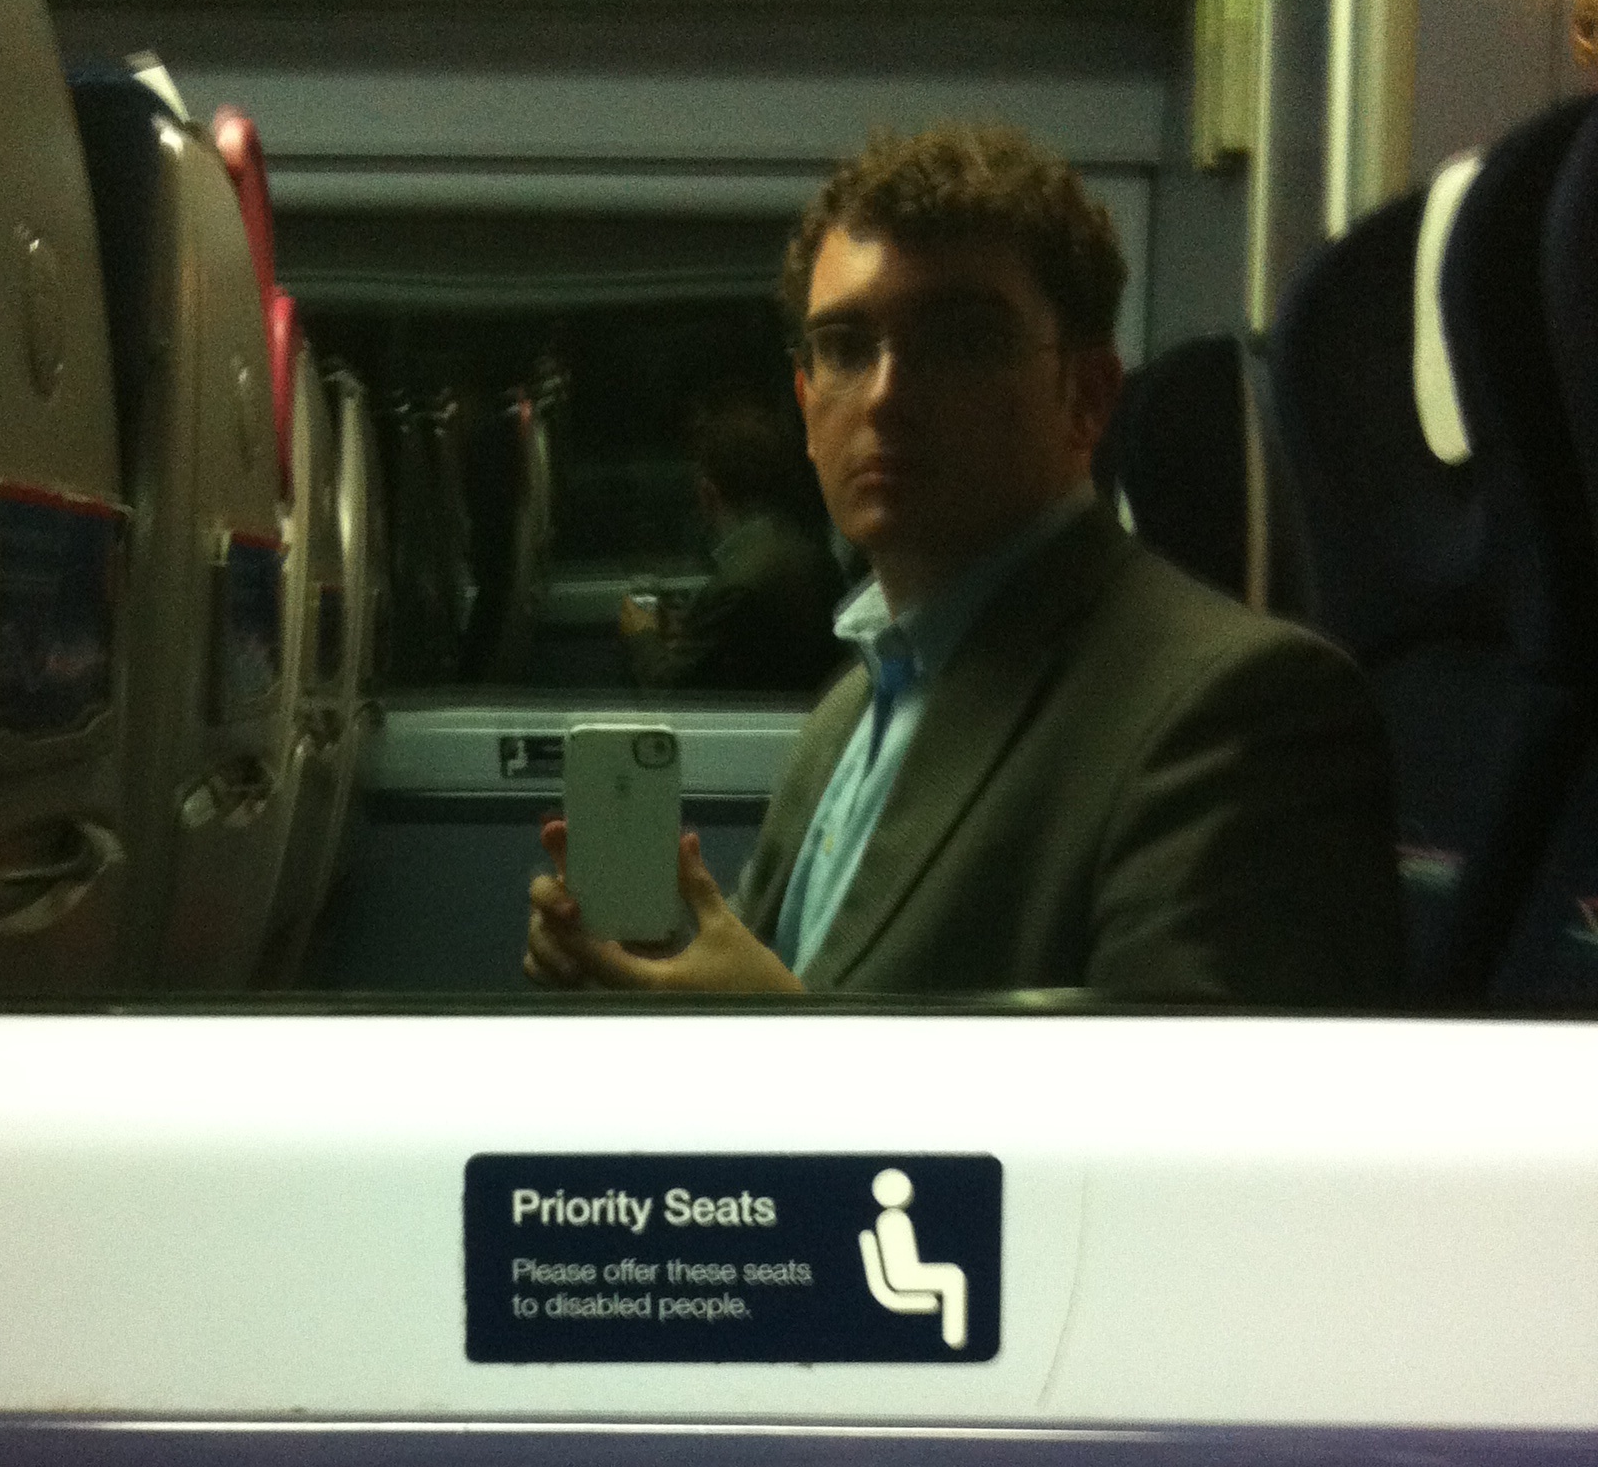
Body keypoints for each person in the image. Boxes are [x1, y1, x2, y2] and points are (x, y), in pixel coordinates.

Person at [526, 121, 1403, 1005]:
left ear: (1087, 396)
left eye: (961, 341)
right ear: (805, 404)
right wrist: (661, 978)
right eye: (845, 346)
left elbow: (1190, 1093)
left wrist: (780, 1030)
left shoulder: (1238, 708)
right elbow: (810, 990)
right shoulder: (851, 707)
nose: (886, 395)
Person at [619, 392, 843, 696]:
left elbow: (668, 688)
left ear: (708, 494)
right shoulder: (807, 549)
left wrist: (641, 633)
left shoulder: (737, 586)